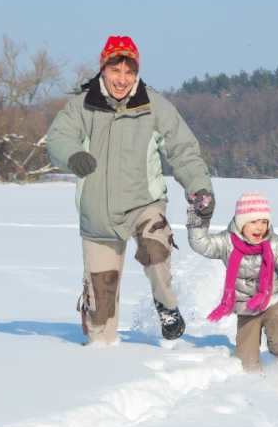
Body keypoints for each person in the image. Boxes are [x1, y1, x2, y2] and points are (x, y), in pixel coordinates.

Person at [46, 35, 214, 345]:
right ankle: (102, 358)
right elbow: (57, 140)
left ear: (136, 73)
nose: (122, 79)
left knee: (154, 248)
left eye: (129, 72)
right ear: (103, 70)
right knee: (101, 312)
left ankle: (167, 307)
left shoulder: (154, 106)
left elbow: (182, 151)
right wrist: (73, 156)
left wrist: (199, 187)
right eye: (115, 71)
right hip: (98, 212)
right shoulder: (82, 106)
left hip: (144, 204)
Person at [188, 190, 278, 371]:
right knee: (246, 361)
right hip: (245, 305)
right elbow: (200, 244)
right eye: (253, 221)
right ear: (241, 222)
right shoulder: (227, 242)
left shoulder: (273, 243)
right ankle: (255, 387)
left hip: (273, 299)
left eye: (264, 222)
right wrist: (197, 218)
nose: (259, 227)